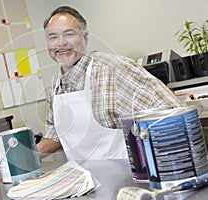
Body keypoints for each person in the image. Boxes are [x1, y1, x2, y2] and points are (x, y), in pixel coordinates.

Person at [36, 6, 183, 161]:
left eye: (69, 34)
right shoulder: (56, 84)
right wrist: (28, 156)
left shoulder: (114, 69)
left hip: (127, 180)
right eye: (53, 37)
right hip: (86, 180)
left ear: (85, 38)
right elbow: (55, 134)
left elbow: (173, 115)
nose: (61, 43)